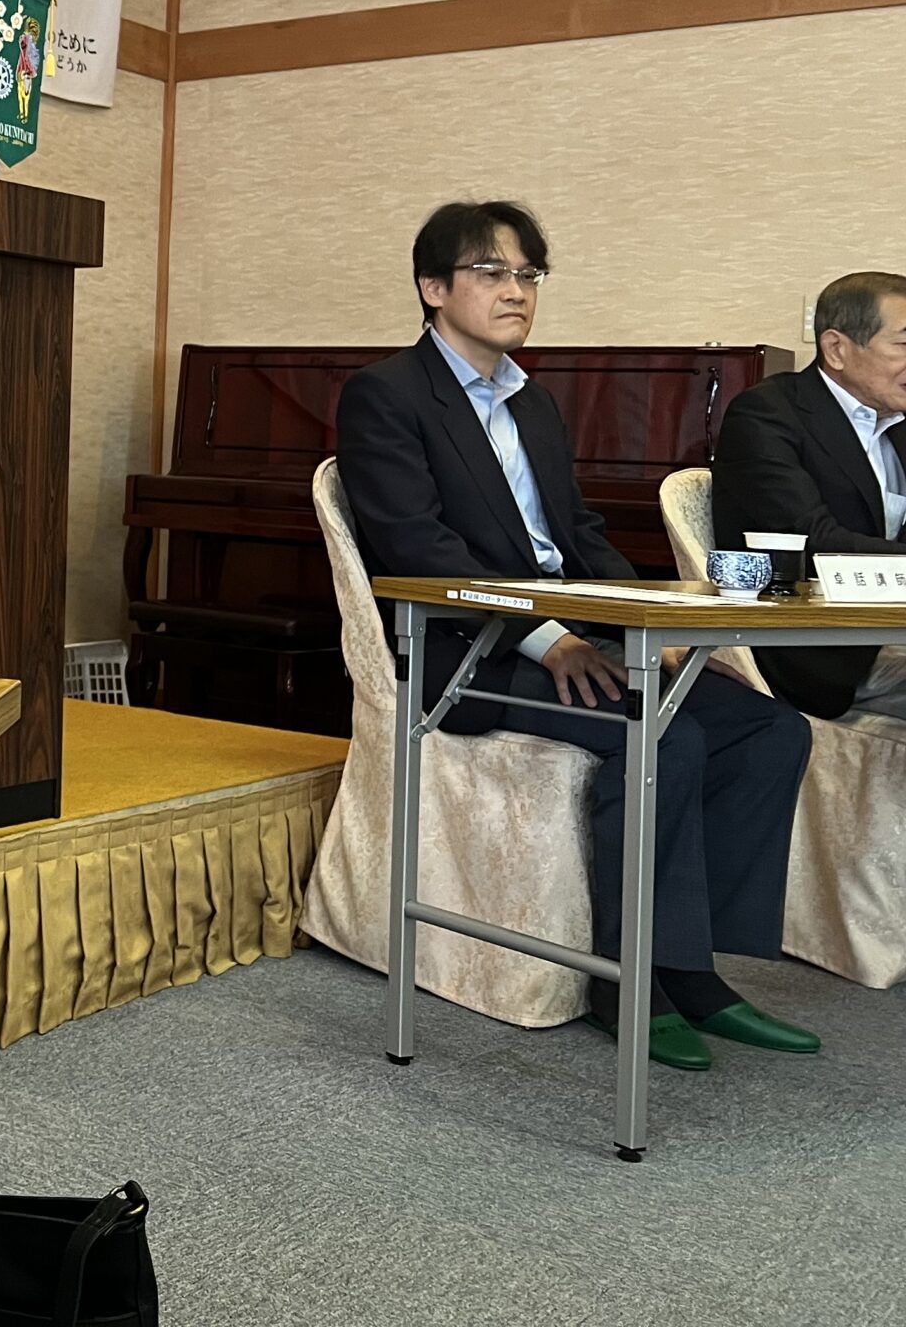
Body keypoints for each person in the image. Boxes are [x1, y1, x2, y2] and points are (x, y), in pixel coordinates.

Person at [337, 200, 815, 1070]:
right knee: (668, 738)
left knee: (768, 727)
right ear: (433, 288)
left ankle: (694, 969)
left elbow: (581, 535)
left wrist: (656, 620)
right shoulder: (386, 395)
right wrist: (548, 637)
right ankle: (623, 981)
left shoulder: (538, 403)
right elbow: (419, 549)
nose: (516, 290)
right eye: (492, 272)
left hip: (577, 631)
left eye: (528, 274)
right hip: (468, 650)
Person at [713, 271, 906, 719]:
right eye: (903, 344)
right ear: (837, 348)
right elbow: (810, 540)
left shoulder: (898, 426)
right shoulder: (767, 414)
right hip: (814, 650)